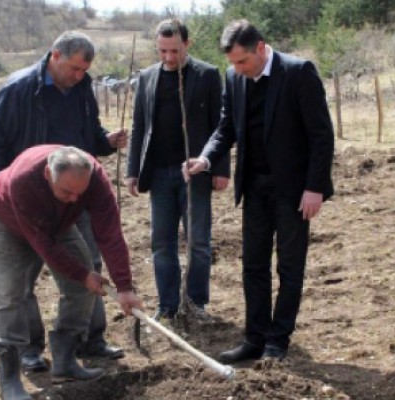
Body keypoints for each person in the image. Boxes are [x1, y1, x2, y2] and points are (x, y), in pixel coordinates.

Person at [0, 31, 128, 372]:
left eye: (84, 71)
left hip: (75, 192)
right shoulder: (17, 90)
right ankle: (27, 351)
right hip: (23, 197)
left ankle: (86, 340)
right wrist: (4, 188)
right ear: (55, 56)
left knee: (89, 269)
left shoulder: (81, 88)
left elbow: (89, 136)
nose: (79, 76)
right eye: (74, 68)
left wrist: (104, 142)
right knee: (19, 284)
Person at [184, 19, 334, 361]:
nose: (237, 69)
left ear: (261, 48)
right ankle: (254, 338)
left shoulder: (299, 73)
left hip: (294, 190)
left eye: (242, 61)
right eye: (233, 63)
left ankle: (278, 340)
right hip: (254, 185)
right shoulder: (234, 78)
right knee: (253, 264)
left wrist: (315, 188)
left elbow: (321, 136)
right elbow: (226, 128)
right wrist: (206, 160)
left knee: (290, 266)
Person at [0, 145, 142, 399]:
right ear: (48, 173)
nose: (75, 199)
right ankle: (9, 379)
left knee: (85, 285)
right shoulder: (24, 180)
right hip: (8, 220)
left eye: (80, 193)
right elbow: (43, 245)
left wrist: (124, 286)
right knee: (11, 295)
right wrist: (81, 273)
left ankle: (65, 360)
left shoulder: (94, 181)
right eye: (67, 191)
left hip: (59, 221)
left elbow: (109, 233)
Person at [125, 19, 230, 321]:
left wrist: (220, 169)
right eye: (162, 51)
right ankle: (167, 306)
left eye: (174, 50)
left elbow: (220, 126)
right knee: (162, 242)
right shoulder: (146, 77)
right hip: (158, 174)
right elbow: (139, 125)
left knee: (198, 241)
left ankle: (196, 303)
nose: (168, 57)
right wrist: (133, 170)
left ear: (188, 44)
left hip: (194, 172)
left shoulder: (207, 75)